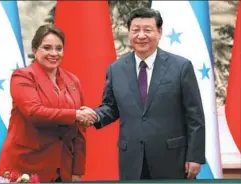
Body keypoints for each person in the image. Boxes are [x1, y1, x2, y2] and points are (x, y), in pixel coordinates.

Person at [80, 7, 206, 180]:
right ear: (129, 33)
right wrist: (95, 115)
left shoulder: (181, 67)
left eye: (148, 30)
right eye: (135, 30)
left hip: (172, 158)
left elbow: (195, 116)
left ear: (159, 32)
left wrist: (195, 156)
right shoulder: (116, 69)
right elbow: (110, 107)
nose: (141, 35)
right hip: (132, 158)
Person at [0, 24, 97, 182]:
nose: (54, 53)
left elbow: (80, 131)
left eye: (59, 48)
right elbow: (34, 112)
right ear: (35, 51)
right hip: (25, 167)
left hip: (62, 169)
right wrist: (75, 114)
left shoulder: (73, 81)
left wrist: (77, 170)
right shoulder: (22, 76)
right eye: (47, 48)